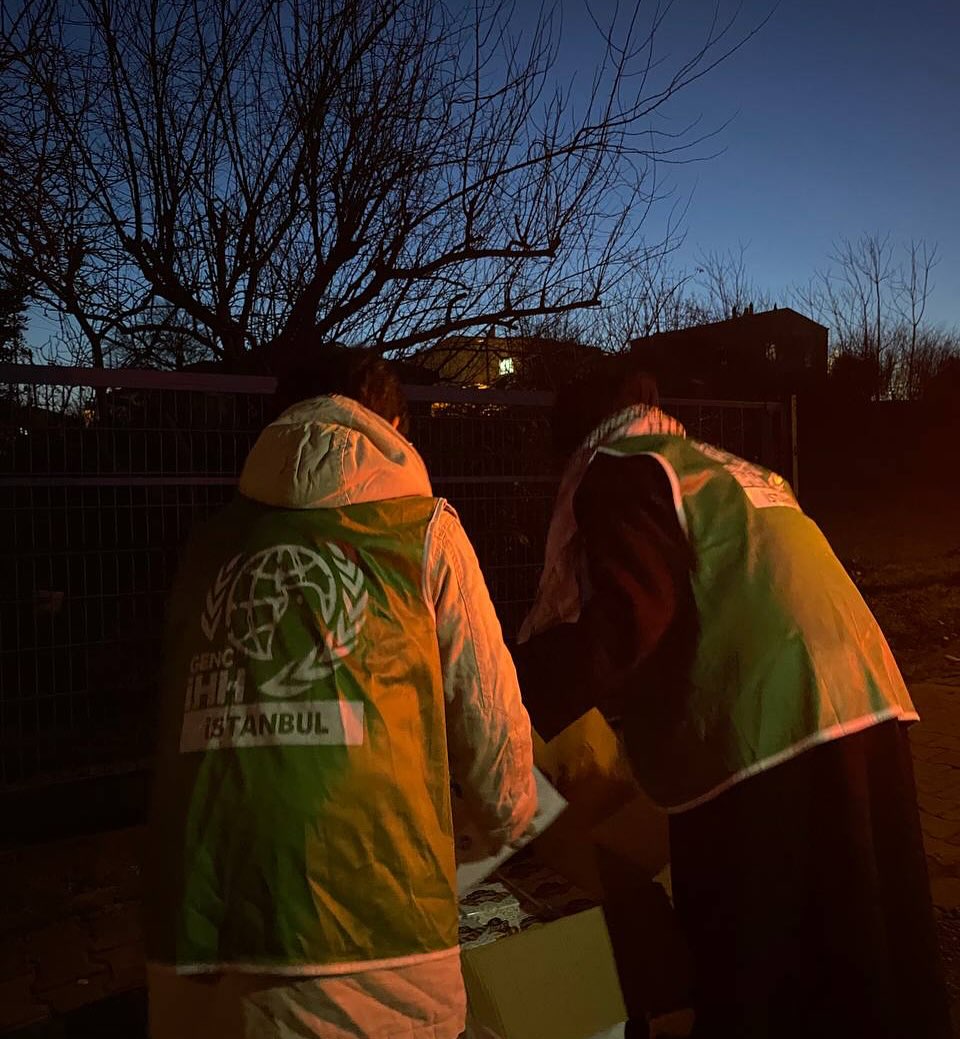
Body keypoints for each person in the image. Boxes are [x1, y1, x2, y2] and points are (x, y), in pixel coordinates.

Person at [513, 363, 951, 1039]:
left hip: (765, 736)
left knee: (757, 965)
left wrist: (514, 701)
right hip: (865, 701)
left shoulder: (621, 468)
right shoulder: (721, 465)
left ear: (574, 444)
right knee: (860, 943)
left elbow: (628, 619)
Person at [144, 345, 537, 1039]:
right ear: (388, 426)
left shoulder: (204, 551)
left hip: (195, 957)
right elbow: (497, 754)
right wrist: (502, 824)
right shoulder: (422, 532)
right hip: (378, 958)